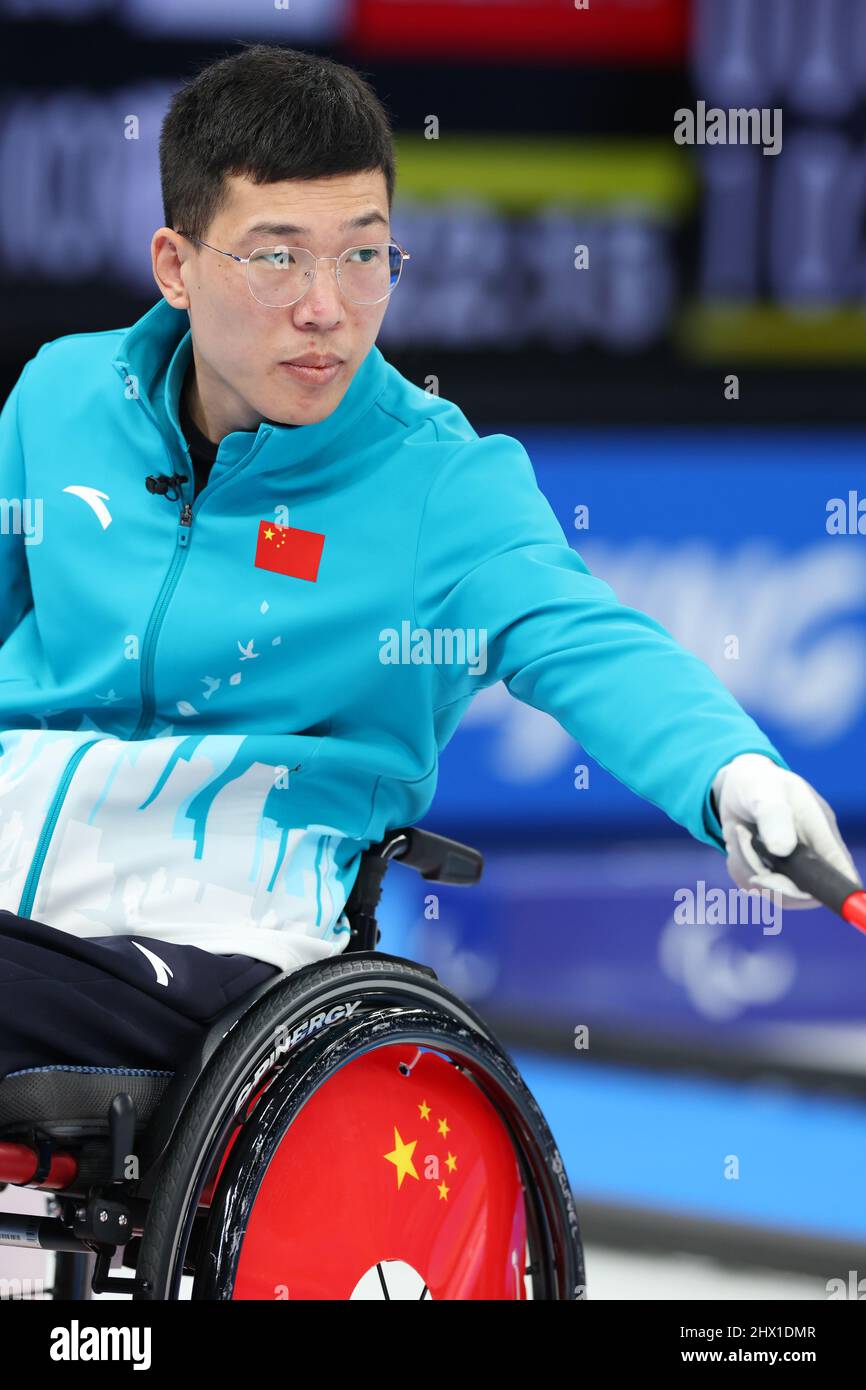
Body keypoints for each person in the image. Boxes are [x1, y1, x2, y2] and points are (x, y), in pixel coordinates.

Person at [0, 44, 859, 1081]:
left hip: (218, 947)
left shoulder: (438, 482)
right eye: (277, 256)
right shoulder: (57, 398)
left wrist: (733, 769)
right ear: (176, 266)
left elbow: (583, 636)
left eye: (363, 255)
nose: (326, 306)